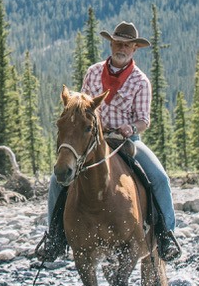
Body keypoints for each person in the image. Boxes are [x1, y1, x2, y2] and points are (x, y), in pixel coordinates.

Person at [35, 20, 181, 262]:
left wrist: (130, 128)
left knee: (159, 178)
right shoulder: (93, 72)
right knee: (56, 181)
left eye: (126, 45)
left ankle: (166, 236)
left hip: (127, 140)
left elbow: (144, 120)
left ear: (134, 49)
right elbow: (80, 106)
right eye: (117, 43)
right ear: (111, 44)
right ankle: (55, 237)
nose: (120, 48)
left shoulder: (140, 81)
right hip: (93, 139)